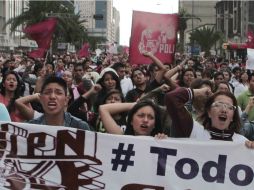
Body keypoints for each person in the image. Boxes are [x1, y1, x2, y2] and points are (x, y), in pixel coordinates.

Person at [165, 87, 254, 148]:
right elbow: (172, 98)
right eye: (218, 105)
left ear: (233, 116)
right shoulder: (195, 131)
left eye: (229, 107)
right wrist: (197, 92)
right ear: (209, 112)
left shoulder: (242, 143)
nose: (224, 110)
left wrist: (250, 150)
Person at [99, 100, 164, 137]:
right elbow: (103, 109)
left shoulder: (160, 141)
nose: (145, 120)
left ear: (155, 124)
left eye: (151, 117)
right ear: (131, 121)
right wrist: (135, 105)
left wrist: (162, 141)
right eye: (141, 115)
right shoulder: (122, 138)